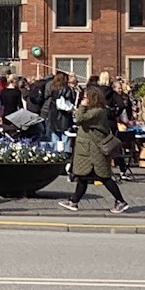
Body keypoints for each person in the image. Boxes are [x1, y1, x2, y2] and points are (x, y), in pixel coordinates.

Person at [58, 86, 130, 214]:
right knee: (83, 177)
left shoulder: (98, 112)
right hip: (87, 150)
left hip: (95, 150)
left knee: (104, 176)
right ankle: (74, 201)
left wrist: (82, 105)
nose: (83, 99)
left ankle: (120, 201)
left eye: (85, 97)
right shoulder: (94, 111)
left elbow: (79, 118)